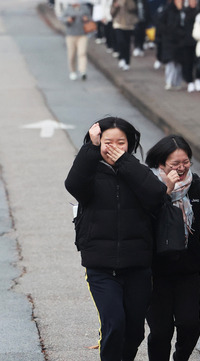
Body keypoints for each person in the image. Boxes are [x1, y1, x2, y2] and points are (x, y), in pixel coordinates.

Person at [65, 117, 167, 361]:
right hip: (101, 267)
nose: (113, 147)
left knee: (134, 331)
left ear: (129, 145)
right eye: (106, 142)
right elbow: (73, 184)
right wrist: (90, 148)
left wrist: (125, 163)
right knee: (114, 323)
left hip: (137, 267)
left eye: (120, 142)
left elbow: (156, 194)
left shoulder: (138, 172)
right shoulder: (90, 173)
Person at [145, 135, 200, 361]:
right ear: (161, 164)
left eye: (186, 162)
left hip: (187, 268)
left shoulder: (196, 184)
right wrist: (166, 191)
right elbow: (145, 218)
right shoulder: (148, 185)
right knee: (161, 331)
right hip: (155, 271)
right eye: (175, 164)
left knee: (190, 324)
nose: (181, 168)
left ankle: (181, 357)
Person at [158, 0, 198, 91]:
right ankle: (169, 81)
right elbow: (162, 24)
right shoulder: (168, 11)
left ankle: (177, 82)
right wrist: (167, 33)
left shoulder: (184, 11)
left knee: (179, 63)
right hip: (170, 41)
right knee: (171, 62)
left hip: (181, 41)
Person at [61, 0, 92, 81]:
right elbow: (62, 18)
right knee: (71, 54)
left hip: (82, 34)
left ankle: (83, 71)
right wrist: (68, 20)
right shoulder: (68, 9)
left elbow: (90, 18)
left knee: (82, 53)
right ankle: (72, 71)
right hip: (71, 35)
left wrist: (86, 19)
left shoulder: (84, 8)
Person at [111, 0, 139, 71]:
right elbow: (112, 12)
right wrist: (115, 6)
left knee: (127, 43)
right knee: (120, 41)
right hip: (118, 23)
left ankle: (127, 61)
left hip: (128, 25)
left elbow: (132, 8)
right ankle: (121, 57)